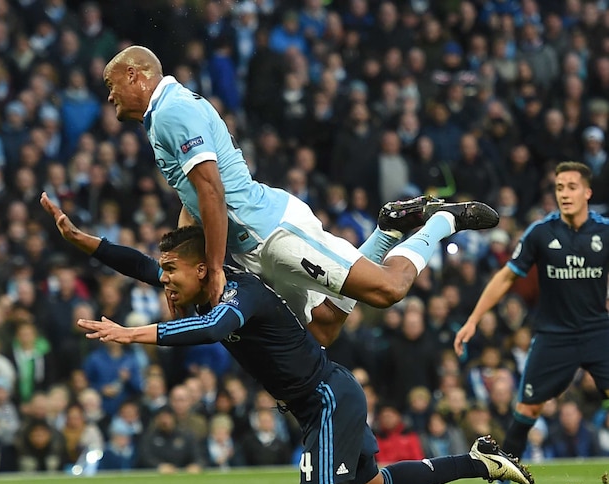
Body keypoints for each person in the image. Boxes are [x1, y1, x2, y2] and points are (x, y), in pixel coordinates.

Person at [45, 206, 533, 484]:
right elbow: (137, 264)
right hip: (328, 393)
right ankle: (478, 462)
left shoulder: (240, 293)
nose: (163, 280)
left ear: (200, 267)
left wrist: (129, 333)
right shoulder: (202, 282)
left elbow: (214, 328)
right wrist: (83, 241)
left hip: (326, 401)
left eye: (171, 270)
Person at [101, 45, 499, 346]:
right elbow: (193, 201)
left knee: (388, 290)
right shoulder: (160, 118)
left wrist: (215, 267)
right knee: (322, 330)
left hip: (272, 232)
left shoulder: (171, 111)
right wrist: (184, 266)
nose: (110, 96)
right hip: (253, 245)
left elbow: (211, 192)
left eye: (112, 84)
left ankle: (440, 222)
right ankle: (388, 230)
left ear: (136, 75)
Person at [454, 161, 609, 484]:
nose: (565, 194)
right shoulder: (540, 233)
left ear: (587, 192)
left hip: (599, 331)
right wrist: (474, 319)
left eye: (571, 187)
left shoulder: (605, 231)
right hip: (554, 335)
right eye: (559, 187)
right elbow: (506, 277)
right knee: (527, 409)